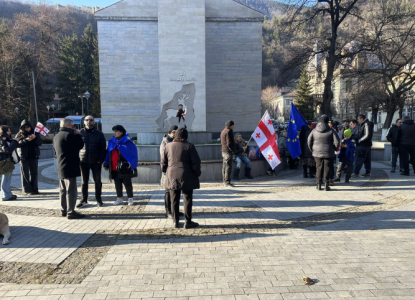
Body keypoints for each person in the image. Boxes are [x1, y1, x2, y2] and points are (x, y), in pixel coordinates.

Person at [161, 127, 201, 229]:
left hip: (171, 175)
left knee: (174, 199)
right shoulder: (189, 146)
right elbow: (196, 162)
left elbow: (163, 162)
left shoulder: (168, 146)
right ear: (186, 136)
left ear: (176, 135)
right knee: (187, 199)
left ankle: (175, 221)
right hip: (186, 175)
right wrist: (197, 173)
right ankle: (188, 222)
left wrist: (165, 171)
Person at [53, 118, 85, 219]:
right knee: (71, 190)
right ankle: (71, 211)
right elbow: (79, 145)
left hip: (61, 165)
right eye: (72, 126)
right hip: (70, 166)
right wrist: (79, 135)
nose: (74, 128)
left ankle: (64, 210)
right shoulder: (68, 135)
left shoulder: (57, 136)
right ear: (67, 125)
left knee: (62, 190)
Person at [104, 125, 138, 205]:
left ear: (121, 132)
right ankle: (119, 198)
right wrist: (106, 164)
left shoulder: (127, 141)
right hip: (114, 166)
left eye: (116, 131)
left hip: (124, 166)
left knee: (127, 183)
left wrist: (131, 162)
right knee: (117, 183)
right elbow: (108, 153)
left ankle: (130, 198)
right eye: (114, 131)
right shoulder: (111, 141)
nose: (115, 133)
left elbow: (133, 153)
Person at [77, 116, 106, 208]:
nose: (89, 121)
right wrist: (78, 160)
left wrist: (100, 160)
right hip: (83, 161)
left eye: (91, 120)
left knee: (97, 181)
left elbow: (103, 148)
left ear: (94, 122)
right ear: (84, 122)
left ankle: (98, 199)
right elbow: (75, 147)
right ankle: (84, 199)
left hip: (95, 161)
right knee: (84, 182)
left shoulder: (99, 133)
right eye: (87, 120)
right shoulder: (79, 133)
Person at [307, 115, 340, 191]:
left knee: (318, 168)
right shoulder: (331, 130)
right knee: (327, 168)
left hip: (317, 152)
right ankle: (326, 185)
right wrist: (334, 148)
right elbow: (337, 141)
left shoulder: (314, 130)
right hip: (328, 151)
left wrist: (312, 149)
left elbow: (309, 141)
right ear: (327, 121)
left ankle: (318, 184)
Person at [15, 120, 42, 195]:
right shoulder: (19, 134)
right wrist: (26, 140)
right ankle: (27, 190)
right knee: (25, 174)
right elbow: (17, 144)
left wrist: (35, 138)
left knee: (34, 173)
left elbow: (40, 143)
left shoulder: (35, 133)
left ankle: (34, 188)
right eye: (25, 128)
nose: (27, 129)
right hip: (24, 156)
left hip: (34, 155)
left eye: (28, 127)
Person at [160, 125, 180, 218]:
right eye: (174, 132)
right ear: (170, 132)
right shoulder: (165, 142)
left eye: (177, 132)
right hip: (168, 170)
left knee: (176, 190)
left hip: (175, 169)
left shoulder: (177, 141)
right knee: (168, 191)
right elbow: (164, 158)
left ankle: (175, 209)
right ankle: (168, 211)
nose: (175, 134)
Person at [0, 126, 21, 201]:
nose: (9, 132)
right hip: (4, 162)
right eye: (8, 131)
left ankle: (7, 194)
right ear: (3, 132)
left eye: (10, 131)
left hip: (7, 161)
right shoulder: (2, 139)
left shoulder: (6, 139)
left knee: (6, 179)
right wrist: (15, 142)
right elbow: (6, 150)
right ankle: (6, 195)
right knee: (6, 179)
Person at [221, 120, 236, 187]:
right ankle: (227, 182)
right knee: (228, 167)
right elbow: (229, 143)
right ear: (230, 126)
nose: (234, 126)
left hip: (223, 151)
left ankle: (224, 180)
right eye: (233, 125)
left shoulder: (223, 131)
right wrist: (232, 150)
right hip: (228, 151)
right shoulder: (228, 132)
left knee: (224, 166)